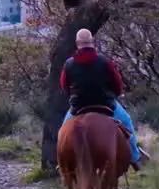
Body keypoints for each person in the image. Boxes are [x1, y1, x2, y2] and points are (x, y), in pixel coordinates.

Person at [59, 28, 148, 171]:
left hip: (78, 107)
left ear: (77, 43)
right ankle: (135, 158)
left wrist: (74, 97)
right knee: (126, 121)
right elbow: (117, 84)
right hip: (105, 105)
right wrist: (114, 94)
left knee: (63, 131)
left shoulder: (68, 64)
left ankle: (61, 161)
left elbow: (64, 86)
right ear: (92, 42)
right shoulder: (105, 62)